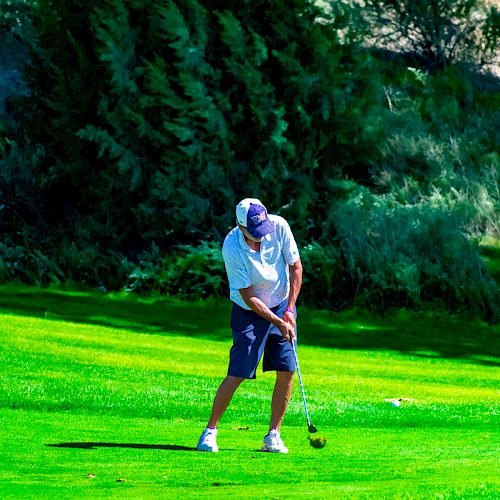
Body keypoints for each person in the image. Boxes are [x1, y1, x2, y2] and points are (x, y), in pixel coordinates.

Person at [196, 198, 302, 453]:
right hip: (249, 311)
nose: (260, 238)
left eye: (262, 231)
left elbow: (296, 268)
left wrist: (289, 310)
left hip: (282, 304)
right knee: (239, 371)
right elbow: (248, 295)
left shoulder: (279, 226)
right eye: (254, 234)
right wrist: (277, 321)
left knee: (286, 369)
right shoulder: (232, 247)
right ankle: (209, 433)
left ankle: (273, 435)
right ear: (240, 226)